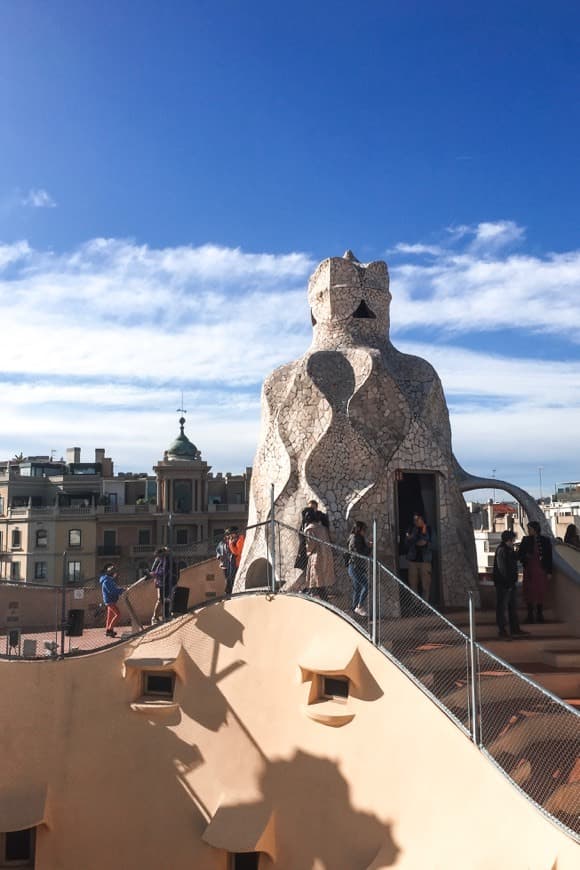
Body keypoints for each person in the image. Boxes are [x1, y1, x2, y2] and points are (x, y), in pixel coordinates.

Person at [517, 521, 553, 624]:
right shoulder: (526, 540)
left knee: (540, 591)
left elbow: (549, 556)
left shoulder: (545, 541)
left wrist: (549, 571)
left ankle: (539, 614)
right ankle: (530, 615)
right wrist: (525, 556)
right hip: (529, 569)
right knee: (529, 592)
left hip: (541, 570)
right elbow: (520, 554)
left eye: (530, 529)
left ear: (535, 529)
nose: (529, 531)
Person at [493, 530, 524, 639]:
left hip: (509, 582)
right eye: (512, 540)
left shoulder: (508, 550)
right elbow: (502, 569)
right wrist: (508, 582)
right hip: (504, 584)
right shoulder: (502, 550)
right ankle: (502, 629)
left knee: (512, 606)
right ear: (508, 540)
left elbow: (517, 558)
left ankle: (514, 628)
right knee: (502, 607)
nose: (513, 542)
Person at [302, 508, 335, 601]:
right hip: (326, 555)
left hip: (316, 556)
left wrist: (308, 552)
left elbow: (310, 544)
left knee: (316, 581)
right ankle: (323, 600)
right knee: (321, 581)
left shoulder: (309, 529)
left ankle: (322, 602)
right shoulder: (323, 528)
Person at [405, 513, 432, 603]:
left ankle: (425, 605)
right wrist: (414, 539)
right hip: (413, 560)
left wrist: (415, 540)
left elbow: (424, 542)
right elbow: (408, 542)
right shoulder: (412, 529)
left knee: (426, 585)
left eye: (417, 519)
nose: (415, 521)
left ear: (422, 519)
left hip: (425, 561)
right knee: (413, 583)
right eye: (414, 520)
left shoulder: (428, 529)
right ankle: (415, 604)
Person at [348, 521, 372, 616]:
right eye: (364, 530)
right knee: (366, 586)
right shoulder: (355, 538)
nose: (365, 532)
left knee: (357, 588)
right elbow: (360, 553)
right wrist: (369, 547)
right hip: (354, 567)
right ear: (359, 530)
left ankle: (354, 608)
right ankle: (359, 606)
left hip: (356, 566)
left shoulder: (357, 538)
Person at [99, 564, 124, 638]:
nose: (116, 574)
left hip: (110, 600)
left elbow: (114, 589)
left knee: (110, 617)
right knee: (118, 614)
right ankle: (110, 629)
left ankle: (108, 630)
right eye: (115, 573)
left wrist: (120, 589)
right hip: (110, 601)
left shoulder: (109, 580)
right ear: (112, 573)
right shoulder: (107, 581)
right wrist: (122, 590)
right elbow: (112, 591)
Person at [150, 547, 171, 624]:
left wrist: (155, 574)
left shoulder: (166, 560)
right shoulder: (160, 561)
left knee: (164, 600)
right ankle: (155, 617)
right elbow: (157, 571)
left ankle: (163, 616)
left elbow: (164, 571)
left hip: (164, 582)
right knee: (160, 599)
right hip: (160, 582)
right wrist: (154, 574)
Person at [216, 530, 237, 594]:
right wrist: (219, 556)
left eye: (229, 534)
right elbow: (217, 550)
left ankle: (228, 592)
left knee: (230, 578)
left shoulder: (232, 542)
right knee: (227, 579)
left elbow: (235, 551)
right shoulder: (221, 543)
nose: (228, 536)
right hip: (224, 565)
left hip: (231, 563)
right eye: (227, 535)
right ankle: (228, 592)